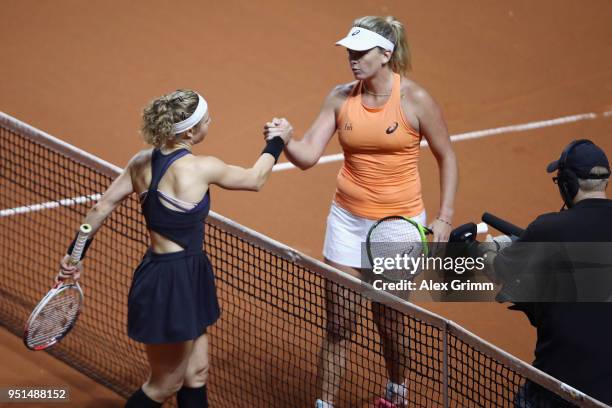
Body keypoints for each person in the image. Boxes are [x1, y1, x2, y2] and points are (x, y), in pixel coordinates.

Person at [265, 16, 458, 407]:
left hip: (399, 227)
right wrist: (285, 140)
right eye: (350, 52)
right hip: (347, 222)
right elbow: (306, 157)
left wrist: (445, 216)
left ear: (385, 54)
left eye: (361, 52)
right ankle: (324, 405)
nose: (352, 59)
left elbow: (447, 156)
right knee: (338, 324)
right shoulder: (340, 98)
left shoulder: (414, 100)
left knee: (389, 320)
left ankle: (396, 392)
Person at [58, 89, 292, 408]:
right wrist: (277, 140)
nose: (212, 122)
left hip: (184, 273)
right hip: (169, 283)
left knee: (197, 372)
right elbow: (255, 179)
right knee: (163, 385)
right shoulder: (201, 167)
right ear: (191, 131)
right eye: (207, 119)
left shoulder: (141, 162)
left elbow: (99, 210)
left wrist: (75, 254)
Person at [479, 139, 612, 406]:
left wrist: (486, 248)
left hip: (558, 389)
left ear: (567, 184)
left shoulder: (548, 229)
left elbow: (498, 271)